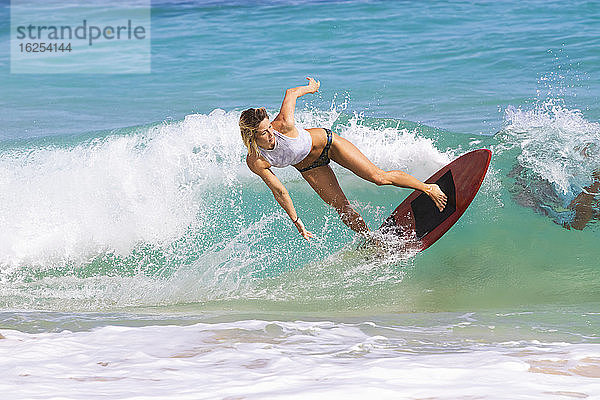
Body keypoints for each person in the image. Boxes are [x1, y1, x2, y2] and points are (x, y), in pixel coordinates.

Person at [239, 77, 448, 240]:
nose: (271, 133)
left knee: (378, 177)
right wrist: (296, 220)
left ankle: (429, 188)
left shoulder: (283, 123)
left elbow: (291, 93)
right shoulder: (257, 161)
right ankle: (371, 238)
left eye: (269, 127)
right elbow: (279, 191)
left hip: (330, 145)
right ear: (252, 136)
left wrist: (311, 87)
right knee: (342, 208)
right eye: (264, 132)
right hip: (309, 167)